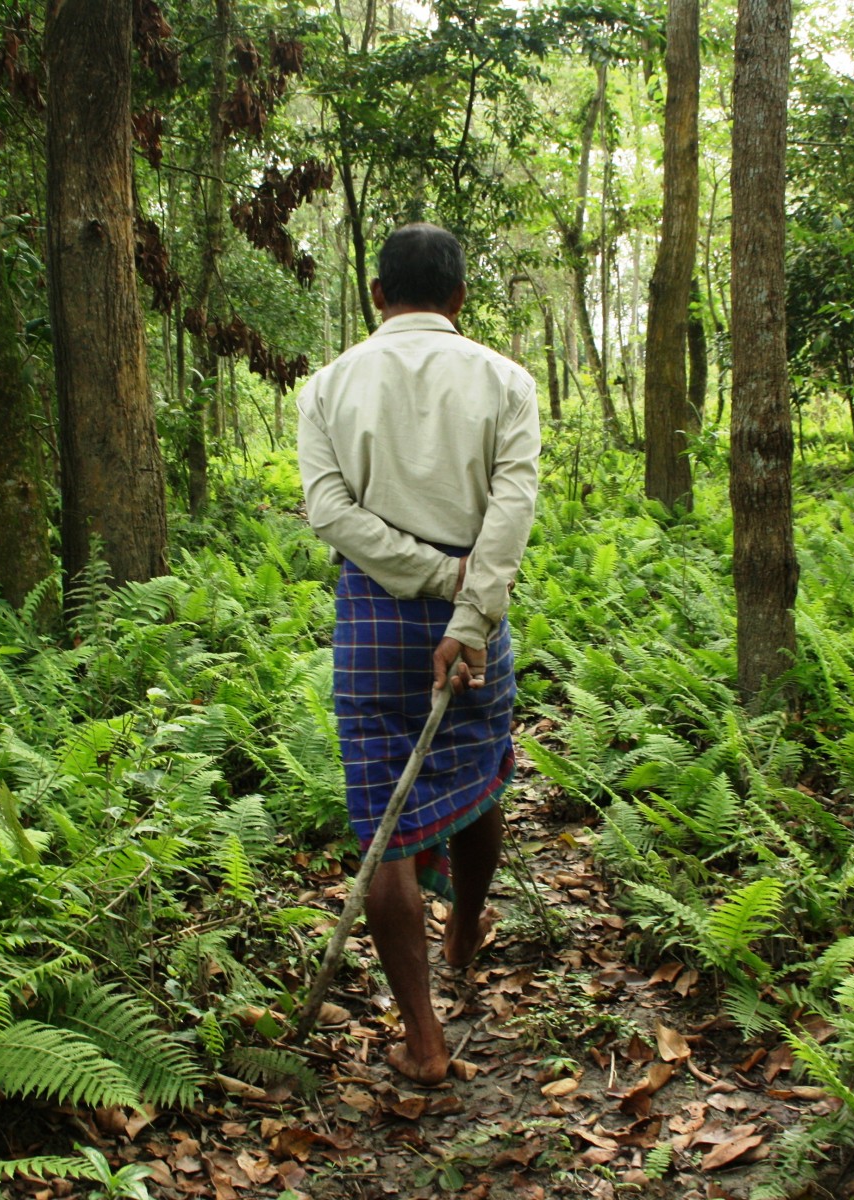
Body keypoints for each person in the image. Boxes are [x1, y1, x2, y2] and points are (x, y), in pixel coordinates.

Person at [297, 222, 541, 1085]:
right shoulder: (506, 380)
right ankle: (466, 929)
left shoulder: (326, 386)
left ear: (375, 295)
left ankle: (423, 1038)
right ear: (460, 298)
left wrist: (425, 577)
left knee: (382, 824)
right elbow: (511, 510)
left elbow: (328, 512)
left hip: (372, 616)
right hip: (472, 618)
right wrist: (466, 605)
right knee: (479, 779)